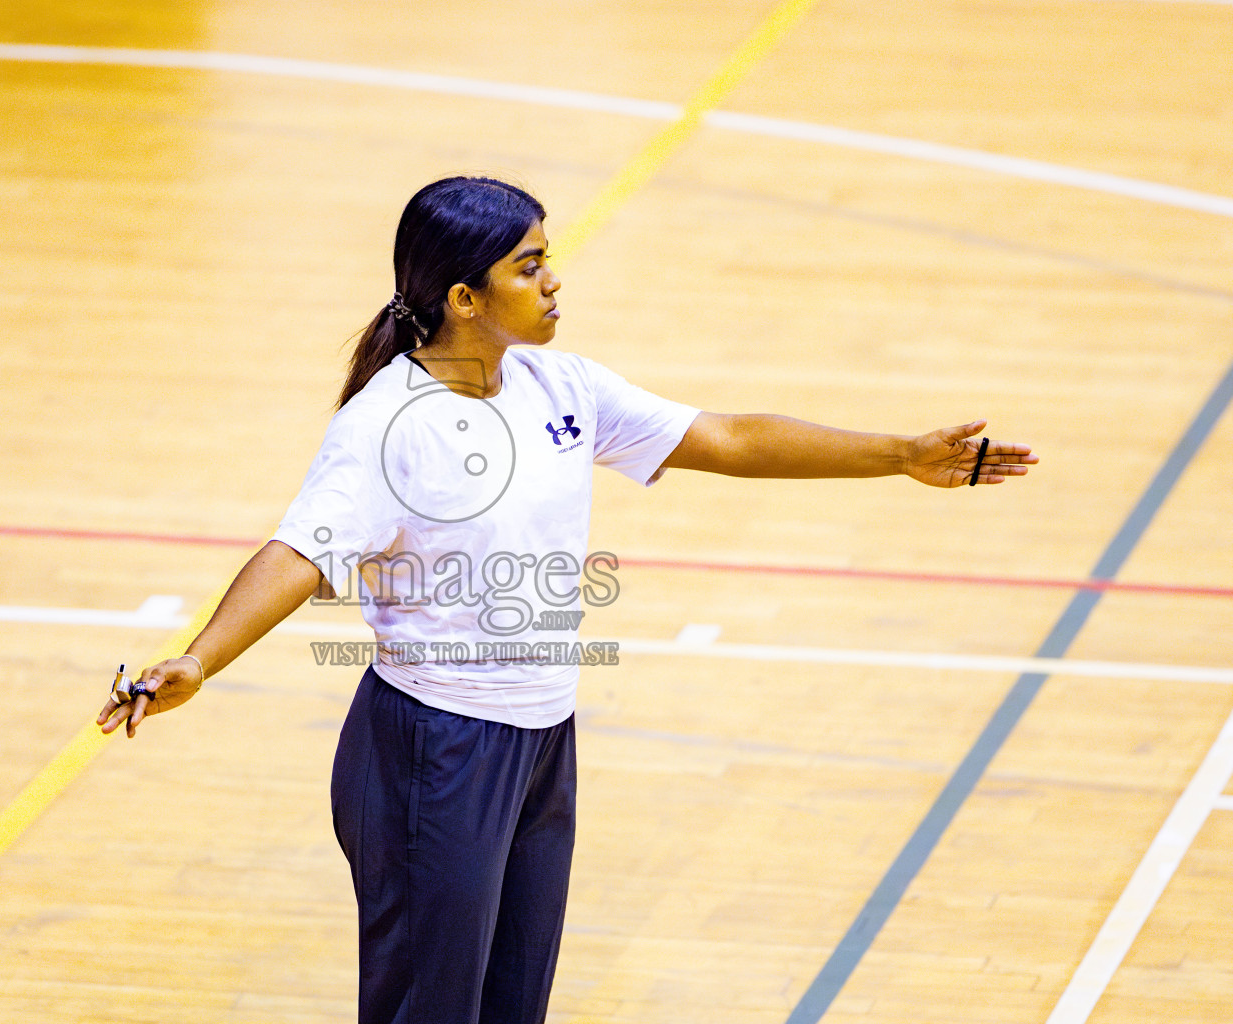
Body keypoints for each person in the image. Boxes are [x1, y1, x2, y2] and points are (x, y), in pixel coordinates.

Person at [96, 176, 1037, 1024]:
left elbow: (732, 438)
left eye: (550, 259)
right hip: (436, 749)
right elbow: (300, 552)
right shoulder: (390, 428)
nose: (553, 283)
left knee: (513, 1006)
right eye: (529, 265)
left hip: (541, 739)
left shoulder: (560, 384)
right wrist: (200, 658)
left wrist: (900, 457)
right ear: (464, 298)